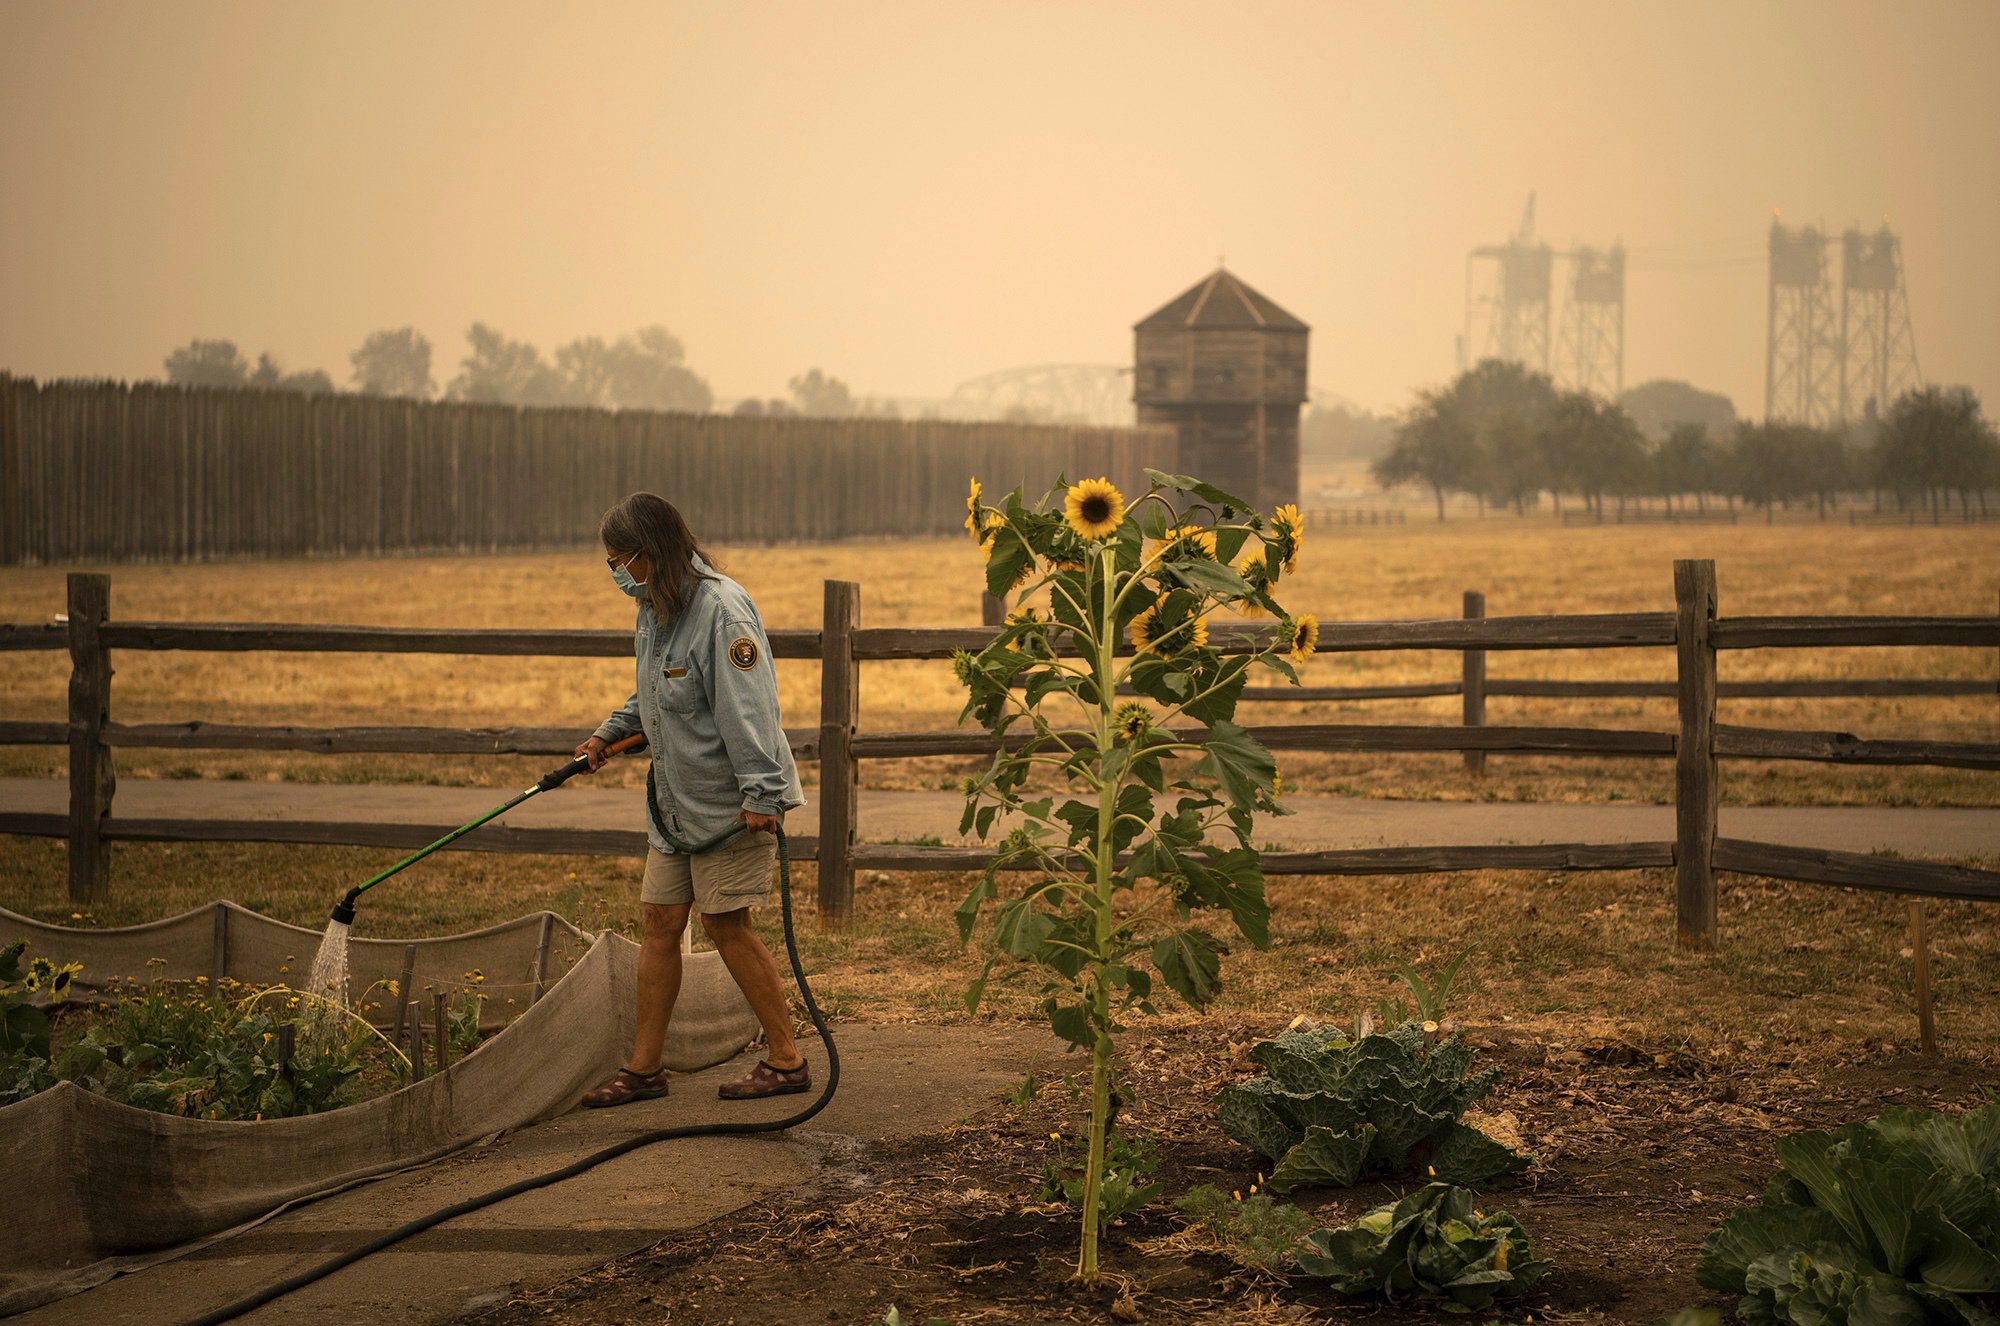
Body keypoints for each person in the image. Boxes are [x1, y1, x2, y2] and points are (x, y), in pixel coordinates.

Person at [576, 492, 810, 1107]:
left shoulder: (722, 612)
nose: (614, 573)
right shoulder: (655, 608)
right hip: (675, 808)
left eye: (620, 559)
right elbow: (653, 694)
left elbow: (751, 710)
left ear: (652, 553)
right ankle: (645, 1070)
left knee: (725, 923)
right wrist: (608, 732)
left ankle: (787, 1061)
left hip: (731, 808)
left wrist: (763, 792)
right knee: (659, 920)